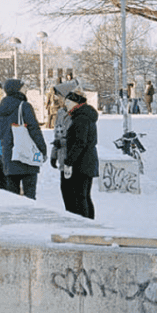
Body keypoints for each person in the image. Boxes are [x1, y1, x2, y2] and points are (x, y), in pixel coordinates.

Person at [0, 78, 47, 200]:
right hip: (26, 157)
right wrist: (42, 149)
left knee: (12, 196)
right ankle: (30, 218)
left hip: (9, 156)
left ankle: (14, 218)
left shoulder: (1, 108)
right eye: (23, 87)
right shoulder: (24, 106)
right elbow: (34, 129)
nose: (26, 89)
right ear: (17, 89)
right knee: (29, 196)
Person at [58, 90, 98, 219]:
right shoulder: (84, 115)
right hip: (87, 162)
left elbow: (80, 142)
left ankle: (82, 223)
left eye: (69, 102)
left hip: (80, 163)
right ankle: (89, 223)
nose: (66, 104)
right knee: (83, 195)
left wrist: (69, 161)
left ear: (76, 103)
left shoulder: (81, 118)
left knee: (77, 196)